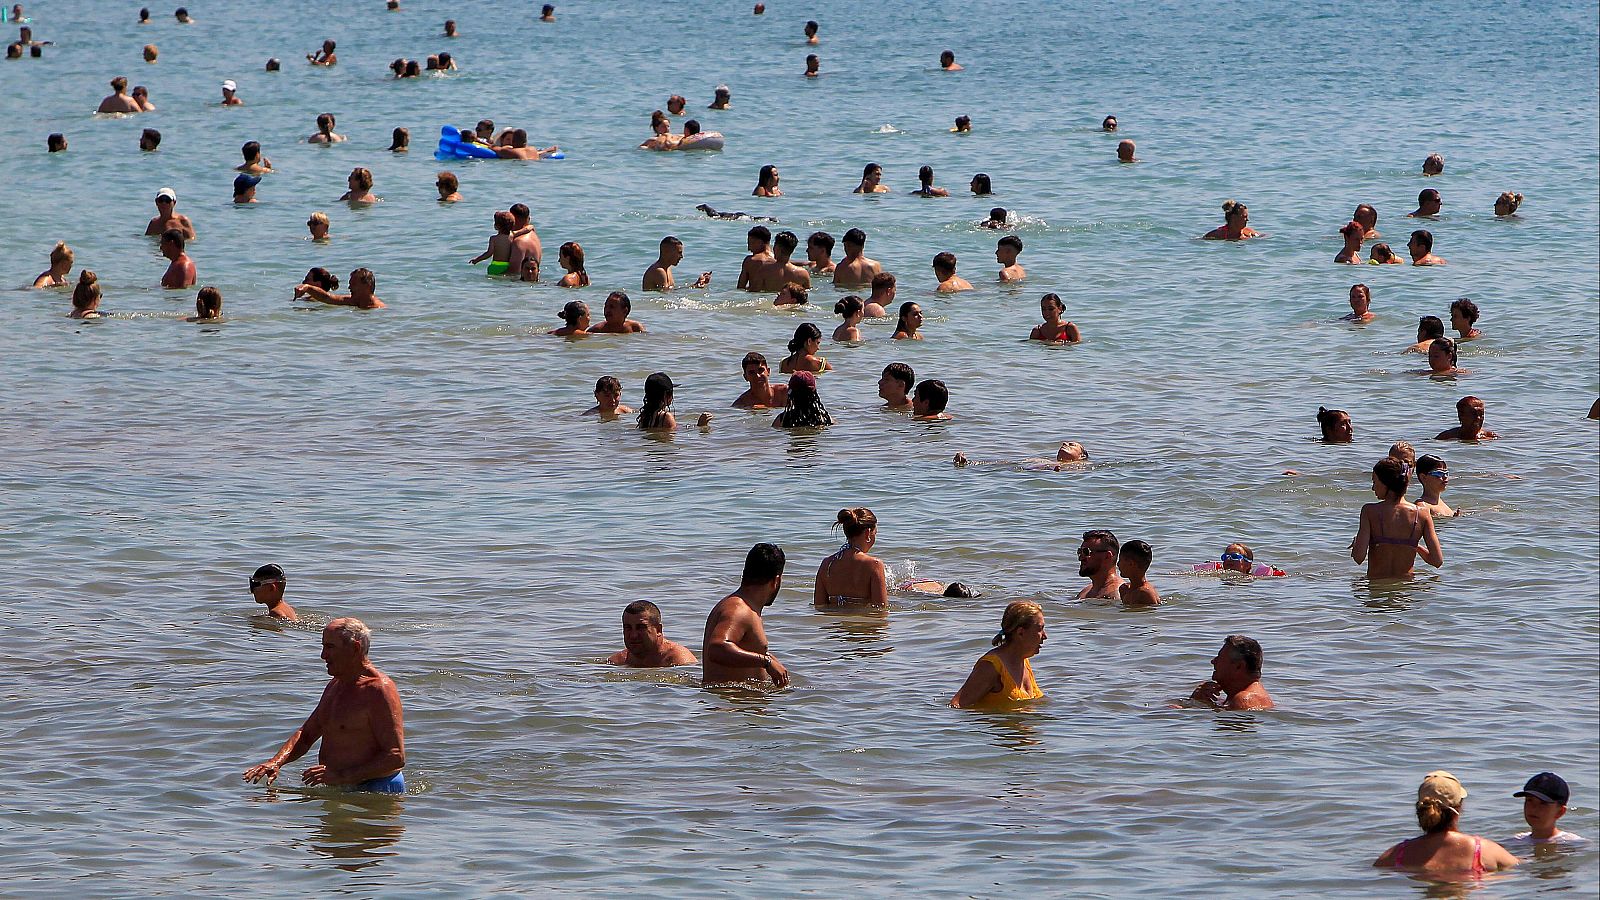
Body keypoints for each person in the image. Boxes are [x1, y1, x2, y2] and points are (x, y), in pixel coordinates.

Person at [243, 618, 406, 793]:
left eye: (330, 647)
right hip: (342, 788)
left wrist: (341, 776)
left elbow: (396, 756)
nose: (323, 655)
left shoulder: (380, 690)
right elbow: (306, 735)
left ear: (355, 648)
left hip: (376, 789)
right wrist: (275, 762)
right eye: (323, 647)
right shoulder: (335, 686)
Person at [1373, 771, 1519, 878]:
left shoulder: (1397, 854)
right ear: (1459, 808)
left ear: (1420, 809)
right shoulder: (1484, 850)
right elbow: (1521, 871)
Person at [701, 543, 788, 687]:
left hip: (738, 704)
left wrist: (767, 658)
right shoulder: (739, 609)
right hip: (732, 705)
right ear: (776, 581)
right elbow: (717, 649)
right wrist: (766, 662)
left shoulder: (743, 606)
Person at [1352, 457, 1443, 578]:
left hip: (1377, 588)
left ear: (1386, 483)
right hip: (1406, 589)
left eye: (1374, 482)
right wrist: (1414, 545)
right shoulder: (1422, 513)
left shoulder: (1369, 511)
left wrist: (1356, 544)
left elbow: (1358, 558)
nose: (1373, 488)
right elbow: (1437, 561)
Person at [950, 601, 1046, 709]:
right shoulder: (991, 666)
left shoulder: (1023, 661)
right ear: (1020, 632)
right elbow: (957, 705)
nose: (1045, 636)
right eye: (1040, 629)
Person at [813, 508, 888, 609]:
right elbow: (881, 609)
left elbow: (819, 607)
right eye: (875, 533)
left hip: (835, 624)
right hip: (863, 623)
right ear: (867, 533)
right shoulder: (874, 565)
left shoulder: (827, 564)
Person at [1188, 635, 1274, 710]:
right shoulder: (1239, 697)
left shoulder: (1244, 699)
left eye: (1219, 658)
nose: (1213, 661)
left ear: (1239, 666)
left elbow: (1228, 726)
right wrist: (1199, 700)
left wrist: (1191, 706)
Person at [607, 600, 697, 667]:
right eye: (628, 628)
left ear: (658, 630)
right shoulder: (619, 660)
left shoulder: (679, 660)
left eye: (641, 628)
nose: (633, 635)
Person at [1512, 773, 1584, 844]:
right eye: (1529, 800)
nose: (1534, 808)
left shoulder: (1573, 844)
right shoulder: (1516, 842)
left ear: (1560, 812)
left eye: (1543, 803)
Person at [637, 372, 710, 430]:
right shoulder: (666, 417)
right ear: (666, 395)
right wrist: (700, 425)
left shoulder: (645, 415)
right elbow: (673, 433)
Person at [294, 267, 386, 309]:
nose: (349, 287)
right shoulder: (352, 300)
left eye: (353, 284)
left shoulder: (378, 308)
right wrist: (307, 287)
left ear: (366, 286)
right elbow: (327, 297)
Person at [643, 235, 710, 291]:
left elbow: (671, 291)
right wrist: (694, 287)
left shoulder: (667, 268)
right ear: (667, 252)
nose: (681, 256)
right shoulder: (659, 271)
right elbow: (666, 294)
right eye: (679, 253)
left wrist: (696, 285)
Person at [1076, 529, 1123, 599]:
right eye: (1080, 551)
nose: (1080, 558)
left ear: (1107, 556)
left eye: (1086, 552)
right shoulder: (1086, 592)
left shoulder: (1118, 594)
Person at [1194, 543, 1285, 577]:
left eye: (1235, 556)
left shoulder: (1254, 578)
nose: (1229, 560)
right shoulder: (1215, 574)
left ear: (1247, 564)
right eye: (1226, 557)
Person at [1117, 540, 1160, 606]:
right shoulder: (1125, 589)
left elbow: (1151, 614)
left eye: (1120, 560)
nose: (1117, 564)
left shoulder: (1144, 593)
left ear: (1131, 563)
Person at [1412, 454, 1457, 519]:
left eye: (1446, 473)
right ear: (1423, 477)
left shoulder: (1440, 502)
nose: (1445, 477)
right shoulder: (1422, 506)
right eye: (1439, 473)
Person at [507, 204, 544, 279]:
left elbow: (514, 272)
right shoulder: (534, 236)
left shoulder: (519, 242)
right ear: (528, 219)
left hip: (520, 287)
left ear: (513, 220)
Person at [736, 225, 773, 291]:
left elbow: (740, 288)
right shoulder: (779, 260)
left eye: (750, 244)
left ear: (760, 242)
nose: (749, 248)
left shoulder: (750, 261)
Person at [494, 129, 559, 160]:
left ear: (513, 141)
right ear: (526, 141)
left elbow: (493, 147)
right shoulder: (533, 149)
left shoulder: (511, 151)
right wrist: (547, 150)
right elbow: (538, 153)